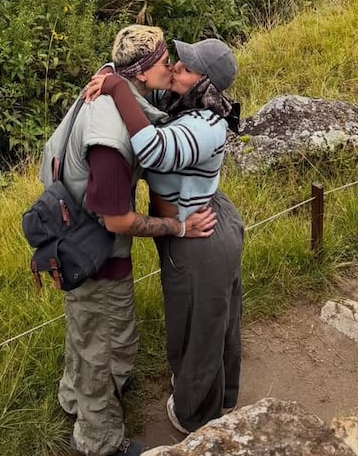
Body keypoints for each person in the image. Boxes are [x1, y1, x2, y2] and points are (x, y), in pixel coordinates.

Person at [39, 26, 217, 456]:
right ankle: (100, 441)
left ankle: (72, 398)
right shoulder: (111, 143)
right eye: (164, 63)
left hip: (80, 230)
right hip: (93, 247)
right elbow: (117, 219)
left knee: (86, 330)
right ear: (139, 73)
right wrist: (178, 227)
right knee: (106, 343)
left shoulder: (114, 83)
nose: (172, 68)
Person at [89, 36, 244, 435]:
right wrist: (113, 72)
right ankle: (219, 396)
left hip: (199, 237)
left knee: (199, 330)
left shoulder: (209, 124)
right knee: (211, 320)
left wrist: (116, 88)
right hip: (203, 220)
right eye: (176, 59)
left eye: (186, 66)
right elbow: (137, 73)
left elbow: (154, 151)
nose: (175, 66)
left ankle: (195, 419)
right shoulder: (184, 102)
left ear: (203, 81)